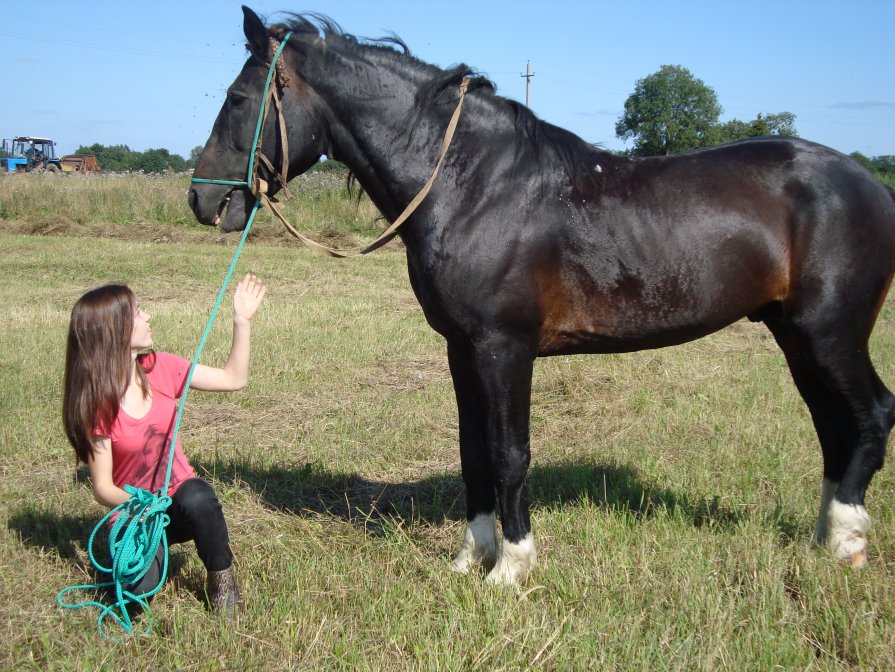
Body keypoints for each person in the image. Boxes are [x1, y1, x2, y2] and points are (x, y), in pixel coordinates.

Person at [62, 273, 267, 618]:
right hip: (138, 516)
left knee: (198, 494)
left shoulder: (161, 369)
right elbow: (102, 487)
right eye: (138, 313)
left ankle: (224, 585)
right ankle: (133, 562)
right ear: (115, 331)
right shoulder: (98, 405)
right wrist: (143, 505)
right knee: (135, 597)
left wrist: (241, 320)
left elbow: (235, 378)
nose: (147, 317)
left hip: (177, 505)